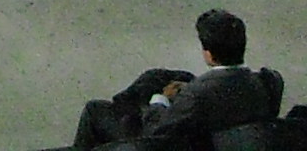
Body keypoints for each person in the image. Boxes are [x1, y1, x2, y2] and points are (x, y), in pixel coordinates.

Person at [71, 10, 279, 151]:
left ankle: (122, 106)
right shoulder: (261, 82)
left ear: (208, 54)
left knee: (96, 110)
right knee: (165, 76)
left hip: (169, 141)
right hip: (217, 133)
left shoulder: (197, 94)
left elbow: (155, 131)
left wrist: (160, 100)